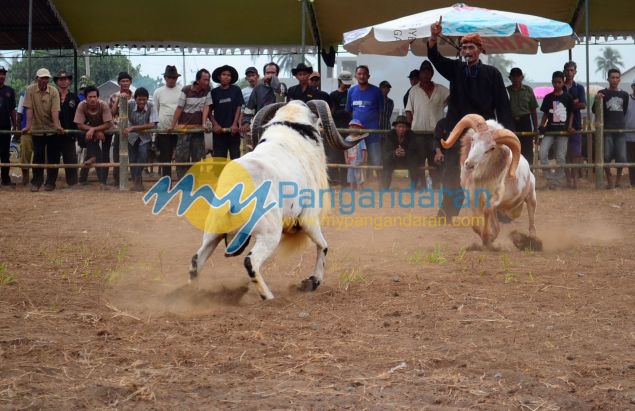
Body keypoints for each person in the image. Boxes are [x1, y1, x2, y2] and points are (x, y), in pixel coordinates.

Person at [427, 21, 513, 217]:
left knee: (490, 173)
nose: (467, 51)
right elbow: (435, 57)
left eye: (471, 47)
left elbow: (503, 106)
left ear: (480, 50)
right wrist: (433, 37)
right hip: (457, 133)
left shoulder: (492, 74)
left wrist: (505, 134)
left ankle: (496, 211)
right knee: (452, 173)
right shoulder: (455, 69)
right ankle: (447, 212)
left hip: (485, 136)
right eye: (464, 47)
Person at [405, 60, 449, 189]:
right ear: (420, 74)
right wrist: (410, 126)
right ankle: (420, 185)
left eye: (428, 71)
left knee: (436, 161)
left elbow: (452, 99)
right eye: (423, 71)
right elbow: (409, 110)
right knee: (417, 161)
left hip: (436, 134)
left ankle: (436, 185)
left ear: (432, 73)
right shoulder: (413, 90)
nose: (425, 74)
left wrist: (447, 119)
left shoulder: (441, 90)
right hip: (417, 133)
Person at [21, 68, 64, 192]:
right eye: (42, 78)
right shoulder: (30, 90)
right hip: (37, 129)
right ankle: (36, 182)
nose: (44, 80)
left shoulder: (54, 91)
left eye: (46, 78)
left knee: (53, 157)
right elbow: (29, 109)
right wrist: (28, 126)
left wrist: (57, 125)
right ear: (37, 78)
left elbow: (55, 110)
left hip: (51, 129)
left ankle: (51, 182)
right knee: (38, 156)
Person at [170, 68, 212, 180]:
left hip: (197, 129)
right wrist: (173, 125)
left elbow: (206, 107)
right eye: (205, 80)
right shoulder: (186, 90)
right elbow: (179, 107)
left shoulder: (207, 91)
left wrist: (203, 123)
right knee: (182, 156)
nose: (207, 82)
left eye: (208, 80)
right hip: (184, 128)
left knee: (198, 157)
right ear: (198, 80)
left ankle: (195, 181)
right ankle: (182, 181)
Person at [538, 71, 575, 190]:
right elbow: (544, 114)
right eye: (555, 82)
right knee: (542, 153)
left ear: (563, 82)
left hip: (563, 131)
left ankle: (556, 181)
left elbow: (571, 113)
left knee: (561, 157)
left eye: (559, 82)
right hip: (549, 130)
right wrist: (541, 125)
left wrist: (569, 126)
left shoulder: (568, 97)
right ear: (552, 82)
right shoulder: (548, 97)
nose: (557, 84)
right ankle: (550, 178)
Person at [593, 68, 629, 189]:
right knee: (606, 156)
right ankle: (610, 180)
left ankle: (618, 180)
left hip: (620, 130)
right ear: (608, 79)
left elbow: (624, 111)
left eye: (616, 77)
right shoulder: (602, 93)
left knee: (622, 157)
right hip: (606, 130)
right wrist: (597, 99)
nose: (614, 80)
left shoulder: (624, 95)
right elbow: (594, 110)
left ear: (620, 79)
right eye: (612, 77)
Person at [74, 85, 114, 189]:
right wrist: (94, 131)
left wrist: (94, 129)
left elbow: (108, 124)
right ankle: (96, 180)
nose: (92, 99)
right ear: (86, 98)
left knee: (104, 155)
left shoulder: (103, 105)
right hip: (92, 131)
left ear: (98, 97)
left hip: (107, 131)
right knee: (95, 153)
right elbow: (79, 124)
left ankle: (103, 181)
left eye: (94, 96)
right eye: (90, 97)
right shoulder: (81, 105)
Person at [345, 65, 384, 169]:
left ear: (368, 76)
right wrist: (355, 127)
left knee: (376, 162)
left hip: (373, 133)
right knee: (358, 162)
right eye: (359, 74)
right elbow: (349, 111)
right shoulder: (351, 91)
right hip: (356, 135)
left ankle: (379, 185)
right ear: (355, 76)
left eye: (364, 74)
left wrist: (375, 126)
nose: (362, 76)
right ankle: (363, 184)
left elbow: (381, 112)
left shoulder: (376, 91)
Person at [124, 87, 158, 191]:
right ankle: (137, 182)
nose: (142, 102)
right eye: (139, 100)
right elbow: (116, 112)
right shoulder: (129, 104)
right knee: (133, 159)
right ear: (135, 99)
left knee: (143, 156)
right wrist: (120, 98)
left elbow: (153, 124)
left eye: (144, 99)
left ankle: (138, 180)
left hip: (144, 137)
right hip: (130, 137)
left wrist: (134, 127)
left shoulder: (151, 106)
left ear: (147, 99)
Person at [240, 62, 286, 136]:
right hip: (260, 124)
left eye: (273, 73)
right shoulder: (258, 88)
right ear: (264, 74)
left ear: (277, 74)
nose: (270, 74)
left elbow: (280, 98)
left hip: (277, 125)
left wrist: (273, 80)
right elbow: (249, 108)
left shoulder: (281, 86)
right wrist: (246, 122)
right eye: (268, 72)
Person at [153, 65, 182, 178]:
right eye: (169, 77)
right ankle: (166, 180)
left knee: (181, 156)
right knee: (165, 157)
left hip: (179, 130)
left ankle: (182, 180)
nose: (171, 80)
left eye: (174, 77)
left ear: (176, 78)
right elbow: (156, 110)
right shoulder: (158, 92)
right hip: (163, 130)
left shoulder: (182, 90)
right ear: (165, 78)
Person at [210, 65, 244, 160]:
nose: (226, 77)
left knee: (235, 159)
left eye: (229, 75)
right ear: (219, 77)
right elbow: (208, 111)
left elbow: (239, 107)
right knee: (219, 160)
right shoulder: (214, 92)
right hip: (219, 133)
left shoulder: (236, 90)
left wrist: (234, 124)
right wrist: (215, 125)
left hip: (233, 131)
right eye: (224, 74)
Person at [53, 70, 80, 187]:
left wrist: (76, 133)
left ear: (69, 81)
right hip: (53, 134)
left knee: (71, 159)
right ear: (57, 81)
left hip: (69, 134)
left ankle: (73, 183)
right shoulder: (53, 96)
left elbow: (78, 116)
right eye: (60, 79)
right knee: (52, 159)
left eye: (65, 79)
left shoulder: (74, 98)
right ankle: (50, 182)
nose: (63, 81)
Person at [506, 67, 538, 165]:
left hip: (525, 121)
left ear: (522, 77)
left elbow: (533, 110)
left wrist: (536, 128)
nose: (516, 79)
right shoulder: (506, 91)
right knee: (511, 147)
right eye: (513, 77)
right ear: (510, 78)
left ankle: (529, 172)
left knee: (527, 148)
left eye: (518, 77)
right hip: (511, 122)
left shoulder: (528, 90)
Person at [328, 70, 354, 187]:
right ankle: (334, 180)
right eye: (345, 82)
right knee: (334, 154)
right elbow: (331, 113)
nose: (347, 85)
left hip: (348, 129)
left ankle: (346, 181)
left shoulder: (351, 93)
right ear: (339, 81)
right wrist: (345, 111)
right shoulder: (333, 95)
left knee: (347, 155)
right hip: (336, 129)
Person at [563, 61, 587, 188]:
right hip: (560, 124)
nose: (569, 72)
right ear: (564, 71)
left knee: (576, 154)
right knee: (564, 153)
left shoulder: (579, 87)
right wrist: (574, 103)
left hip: (576, 124)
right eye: (567, 70)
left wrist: (569, 104)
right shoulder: (560, 86)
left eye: (572, 70)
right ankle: (567, 180)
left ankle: (575, 181)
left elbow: (583, 104)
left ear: (575, 72)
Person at [108, 71, 133, 186]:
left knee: (132, 154)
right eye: (123, 81)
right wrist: (118, 98)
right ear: (119, 83)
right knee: (117, 154)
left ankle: (133, 177)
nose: (125, 83)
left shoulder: (135, 95)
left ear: (130, 82)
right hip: (118, 129)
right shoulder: (113, 96)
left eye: (127, 81)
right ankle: (117, 178)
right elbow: (111, 113)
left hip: (132, 129)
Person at [381, 115, 419, 190]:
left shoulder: (411, 135)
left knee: (414, 162)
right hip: (394, 159)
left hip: (407, 159)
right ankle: (385, 187)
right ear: (395, 127)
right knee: (386, 162)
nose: (401, 129)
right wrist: (395, 152)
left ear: (407, 128)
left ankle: (413, 188)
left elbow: (414, 150)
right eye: (399, 126)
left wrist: (406, 153)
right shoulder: (390, 135)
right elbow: (386, 151)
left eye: (403, 127)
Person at [0, 66, 17, 187]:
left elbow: (12, 110)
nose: (1, 76)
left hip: (5, 128)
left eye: (3, 74)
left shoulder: (9, 91)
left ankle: (5, 179)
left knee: (5, 154)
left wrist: (15, 126)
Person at [344, 119, 368, 190]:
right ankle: (352, 190)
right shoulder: (347, 139)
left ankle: (360, 190)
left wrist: (363, 160)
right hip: (350, 161)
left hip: (358, 161)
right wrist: (346, 158)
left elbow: (364, 150)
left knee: (359, 177)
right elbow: (345, 150)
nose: (354, 128)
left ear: (359, 128)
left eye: (356, 127)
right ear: (349, 128)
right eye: (352, 127)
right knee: (351, 177)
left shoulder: (361, 139)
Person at [625, 80, 635, 188]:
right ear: (632, 87)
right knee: (631, 161)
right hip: (629, 136)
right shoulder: (627, 99)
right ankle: (633, 183)